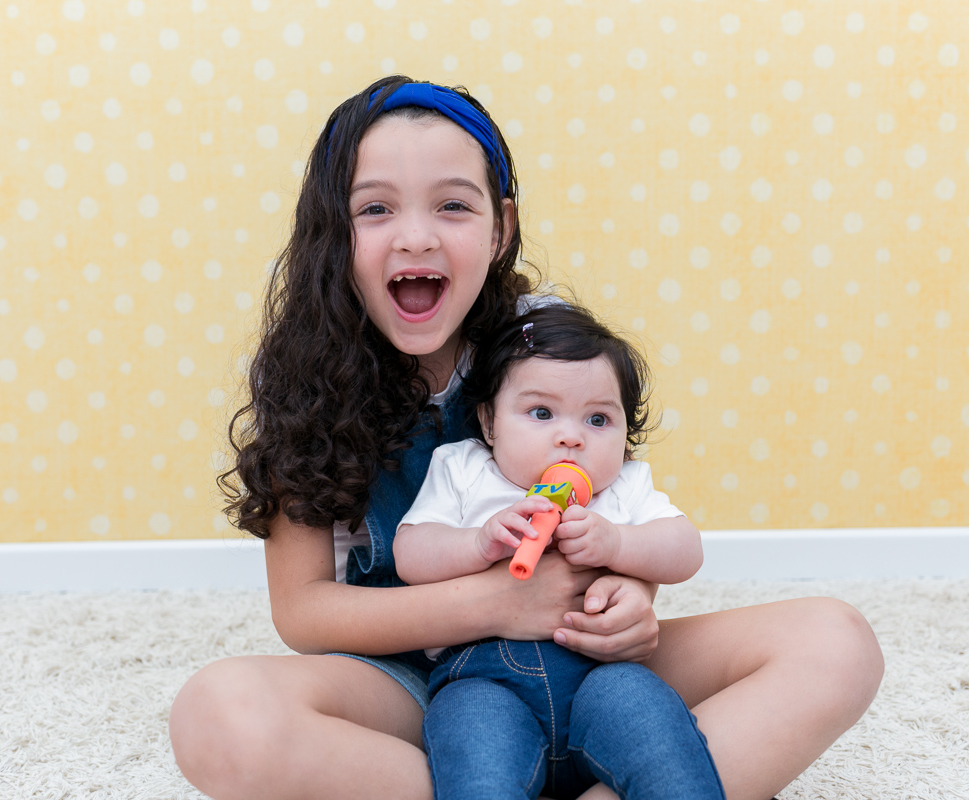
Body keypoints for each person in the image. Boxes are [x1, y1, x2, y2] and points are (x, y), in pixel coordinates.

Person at [168, 75, 884, 800]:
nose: (416, 235)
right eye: (375, 209)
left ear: (499, 228)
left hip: (586, 664)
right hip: (411, 683)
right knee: (219, 716)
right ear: (334, 232)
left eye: (452, 205)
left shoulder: (542, 339)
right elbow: (303, 611)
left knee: (836, 642)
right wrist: (497, 603)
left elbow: (612, 500)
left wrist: (628, 596)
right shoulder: (304, 377)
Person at [394, 303, 725, 799]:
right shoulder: (463, 469)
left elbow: (685, 550)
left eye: (598, 419)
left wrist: (618, 542)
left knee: (663, 742)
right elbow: (411, 553)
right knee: (476, 769)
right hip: (485, 678)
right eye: (541, 413)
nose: (570, 436)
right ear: (489, 423)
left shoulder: (625, 487)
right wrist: (477, 542)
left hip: (602, 675)